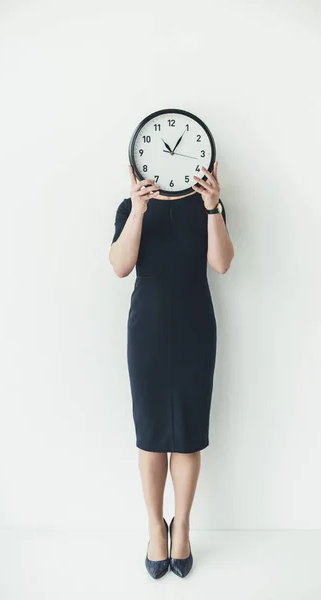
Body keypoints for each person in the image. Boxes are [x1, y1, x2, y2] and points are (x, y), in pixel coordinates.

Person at [109, 160, 234, 578]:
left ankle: (181, 526)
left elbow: (221, 263)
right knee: (151, 435)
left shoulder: (205, 202)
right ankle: (154, 529)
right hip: (147, 329)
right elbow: (120, 265)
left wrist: (214, 206)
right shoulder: (131, 207)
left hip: (195, 326)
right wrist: (138, 209)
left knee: (188, 436)